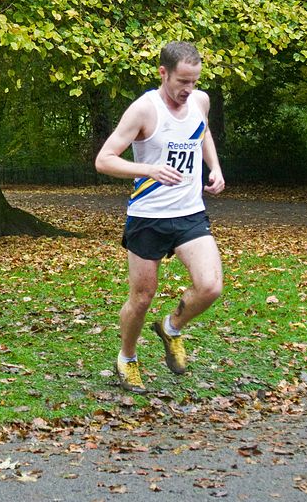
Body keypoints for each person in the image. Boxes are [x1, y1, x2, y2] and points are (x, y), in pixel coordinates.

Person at [95, 41, 225, 394]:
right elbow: (104, 160)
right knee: (141, 298)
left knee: (211, 286)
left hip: (189, 213)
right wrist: (149, 169)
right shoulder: (144, 110)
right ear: (163, 73)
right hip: (148, 217)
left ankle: (171, 327)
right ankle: (127, 357)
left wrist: (214, 167)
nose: (189, 89)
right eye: (182, 81)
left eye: (194, 81)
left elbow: (203, 132)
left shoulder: (200, 101)